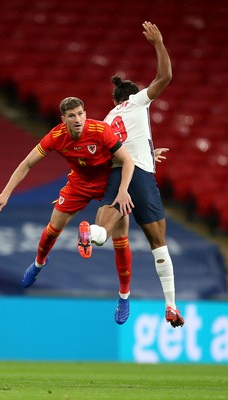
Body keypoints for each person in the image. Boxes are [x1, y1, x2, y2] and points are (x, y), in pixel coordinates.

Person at [78, 21, 185, 328]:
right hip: (140, 176)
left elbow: (117, 149)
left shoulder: (109, 117)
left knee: (104, 235)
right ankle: (171, 306)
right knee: (158, 243)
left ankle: (91, 234)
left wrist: (147, 152)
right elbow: (166, 76)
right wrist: (159, 43)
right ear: (134, 95)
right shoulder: (139, 100)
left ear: (114, 101)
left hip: (117, 173)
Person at [0, 96, 135, 288]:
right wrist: (5, 193)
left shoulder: (100, 131)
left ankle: (124, 295)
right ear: (63, 119)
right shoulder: (55, 137)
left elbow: (127, 159)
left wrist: (123, 189)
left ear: (85, 114)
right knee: (53, 228)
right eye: (72, 116)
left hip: (108, 184)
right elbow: (26, 164)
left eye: (81, 114)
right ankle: (38, 264)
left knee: (120, 235)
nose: (77, 119)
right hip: (78, 184)